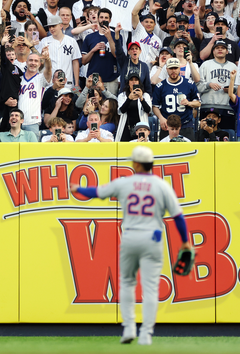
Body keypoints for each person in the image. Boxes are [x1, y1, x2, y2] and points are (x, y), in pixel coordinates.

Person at [69, 146, 192, 345]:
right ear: (151, 163)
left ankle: (128, 328)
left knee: (127, 282)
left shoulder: (125, 183)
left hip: (131, 237)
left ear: (136, 163)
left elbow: (96, 192)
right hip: (153, 237)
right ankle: (146, 334)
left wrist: (77, 188)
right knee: (151, 287)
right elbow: (178, 217)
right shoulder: (161, 185)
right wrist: (185, 242)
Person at [152, 59, 201, 141]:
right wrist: (161, 118)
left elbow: (198, 103)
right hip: (168, 126)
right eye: (171, 68)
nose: (173, 71)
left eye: (175, 68)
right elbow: (155, 106)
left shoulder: (189, 84)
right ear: (166, 69)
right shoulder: (160, 86)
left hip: (185, 124)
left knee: (188, 151)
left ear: (179, 68)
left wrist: (188, 103)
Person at [197, 40, 237, 129]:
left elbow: (239, 87)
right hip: (208, 106)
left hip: (227, 107)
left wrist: (232, 89)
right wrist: (208, 85)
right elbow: (197, 86)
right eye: (217, 48)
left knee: (226, 137)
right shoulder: (205, 65)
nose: (220, 50)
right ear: (213, 51)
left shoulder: (233, 67)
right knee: (206, 137)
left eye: (223, 48)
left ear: (227, 51)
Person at [38, 15, 81, 89]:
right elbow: (39, 64)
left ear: (61, 26)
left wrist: (76, 83)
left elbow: (75, 62)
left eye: (54, 26)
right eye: (49, 27)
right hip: (49, 82)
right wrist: (42, 56)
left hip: (67, 82)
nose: (51, 29)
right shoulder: (44, 41)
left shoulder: (71, 41)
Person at [18, 51, 54, 137]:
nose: (33, 63)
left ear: (40, 64)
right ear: (26, 62)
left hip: (33, 121)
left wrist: (47, 59)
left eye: (36, 61)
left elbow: (48, 70)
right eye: (30, 60)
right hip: (17, 120)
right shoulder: (18, 77)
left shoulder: (40, 78)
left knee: (32, 149)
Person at [116, 73, 152, 142]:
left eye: (136, 80)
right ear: (128, 82)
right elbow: (121, 111)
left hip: (140, 127)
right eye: (131, 80)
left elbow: (148, 110)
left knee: (141, 146)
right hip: (126, 127)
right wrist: (129, 98)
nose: (134, 82)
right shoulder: (122, 95)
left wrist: (141, 98)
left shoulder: (145, 95)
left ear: (139, 82)